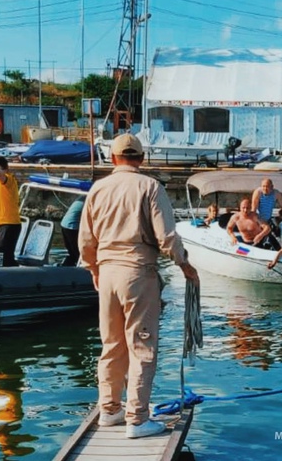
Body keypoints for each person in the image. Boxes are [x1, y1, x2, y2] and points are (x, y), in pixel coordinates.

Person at [78, 133, 199, 440]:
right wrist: (184, 265)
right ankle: (138, 418)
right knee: (141, 346)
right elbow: (167, 237)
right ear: (142, 159)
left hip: (107, 273)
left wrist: (93, 270)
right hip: (138, 271)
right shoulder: (150, 187)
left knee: (112, 345)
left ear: (113, 158)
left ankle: (109, 409)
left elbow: (85, 240)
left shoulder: (98, 189)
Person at [60, 196, 85, 266]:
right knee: (80, 254)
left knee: (73, 253)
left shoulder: (82, 197)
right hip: (72, 227)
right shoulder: (90, 198)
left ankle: (65, 266)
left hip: (64, 224)